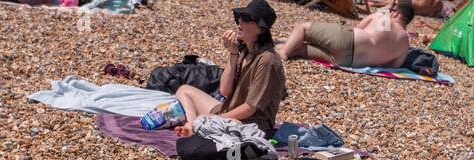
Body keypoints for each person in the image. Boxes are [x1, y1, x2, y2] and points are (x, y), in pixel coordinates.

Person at [175, 0, 286, 138]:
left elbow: (249, 108)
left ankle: (196, 126)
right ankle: (191, 125)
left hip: (251, 123)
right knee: (184, 90)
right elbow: (225, 91)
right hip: (229, 110)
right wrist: (233, 53)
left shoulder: (267, 61)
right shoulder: (245, 51)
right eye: (239, 17)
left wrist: (212, 118)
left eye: (246, 18)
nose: (240, 21)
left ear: (261, 28)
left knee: (206, 122)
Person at [279, 1, 414, 69]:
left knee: (303, 28)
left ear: (396, 13)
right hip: (349, 62)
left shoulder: (383, 17)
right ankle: (277, 49)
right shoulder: (405, 42)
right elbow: (394, 66)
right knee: (301, 50)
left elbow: (358, 28)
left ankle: (283, 53)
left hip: (349, 41)